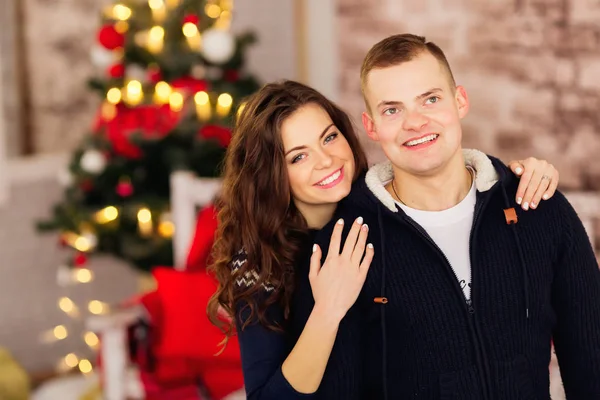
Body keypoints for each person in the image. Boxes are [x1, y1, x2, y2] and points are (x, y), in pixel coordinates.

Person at [207, 80, 561, 399]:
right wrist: (328, 310)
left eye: (329, 137)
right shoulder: (257, 261)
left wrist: (519, 175)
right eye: (299, 156)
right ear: (271, 174)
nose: (327, 160)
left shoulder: (382, 206)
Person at [302, 34, 600, 399]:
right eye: (393, 110)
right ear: (372, 126)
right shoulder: (345, 244)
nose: (415, 122)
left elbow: (592, 363)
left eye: (430, 99)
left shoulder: (538, 208)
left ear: (460, 101)